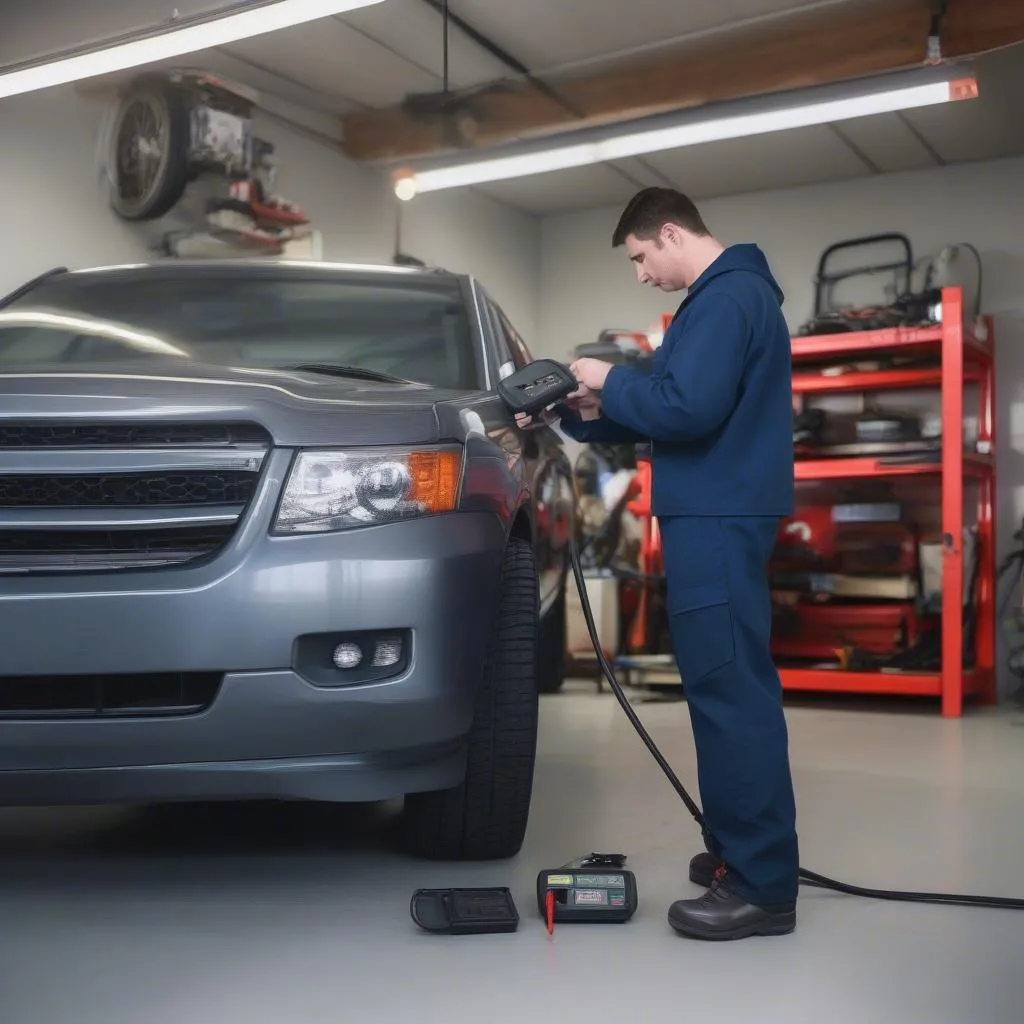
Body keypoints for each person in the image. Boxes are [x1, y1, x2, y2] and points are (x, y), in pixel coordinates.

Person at [518, 187, 799, 941]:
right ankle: (740, 853)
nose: (640, 274)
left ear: (670, 233)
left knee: (728, 689)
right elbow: (679, 404)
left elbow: (686, 410)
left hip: (716, 514)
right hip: (718, 508)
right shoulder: (732, 298)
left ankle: (765, 884)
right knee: (722, 683)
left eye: (641, 257)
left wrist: (604, 374)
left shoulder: (724, 298)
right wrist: (588, 414)